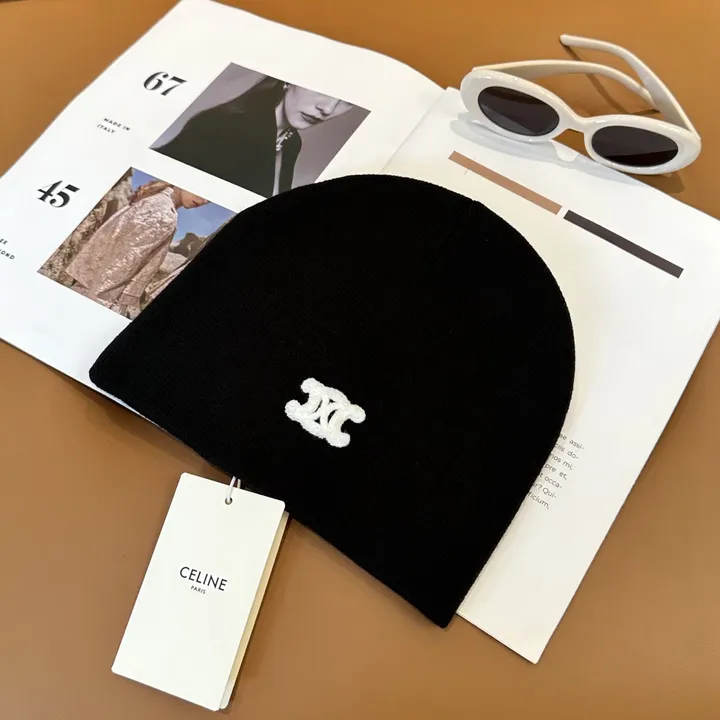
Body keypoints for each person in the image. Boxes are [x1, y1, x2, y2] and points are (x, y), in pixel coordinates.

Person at [154, 77, 354, 197]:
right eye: (324, 89)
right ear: (290, 80)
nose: (328, 109)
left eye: (346, 102)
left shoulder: (291, 142)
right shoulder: (224, 126)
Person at [65, 181, 208, 318]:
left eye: (209, 200)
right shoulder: (164, 213)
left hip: (90, 287)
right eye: (203, 191)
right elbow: (126, 260)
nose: (203, 201)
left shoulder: (155, 201)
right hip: (103, 297)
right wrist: (97, 305)